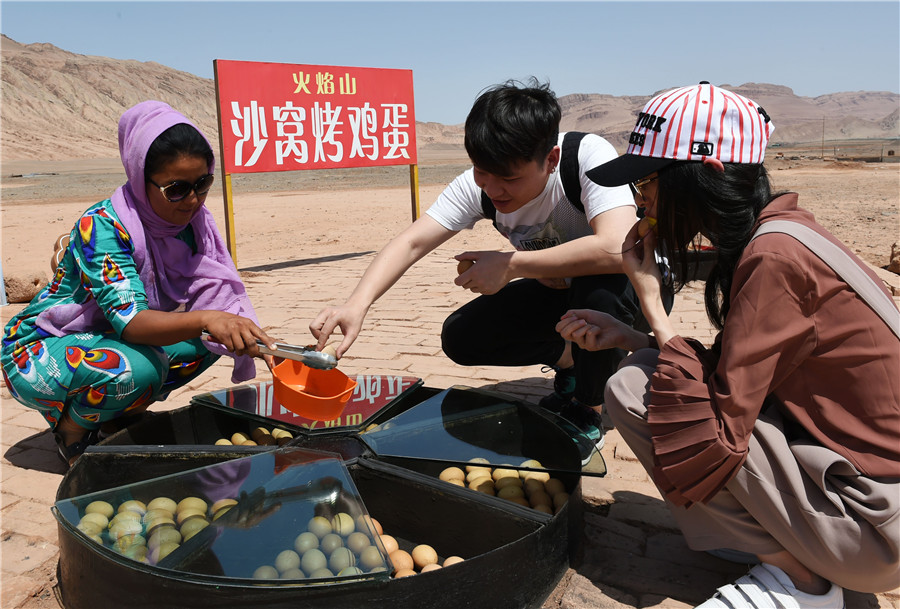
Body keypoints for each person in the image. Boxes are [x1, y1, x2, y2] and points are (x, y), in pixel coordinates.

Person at [557, 82, 899, 608]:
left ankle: (804, 583)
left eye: (647, 181)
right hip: (871, 504)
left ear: (706, 174)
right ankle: (781, 543)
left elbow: (719, 426)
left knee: (635, 388)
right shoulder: (778, 234)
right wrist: (633, 336)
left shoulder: (775, 257)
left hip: (874, 528)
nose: (639, 199)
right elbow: (745, 373)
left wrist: (649, 298)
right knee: (647, 363)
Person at [310, 79, 643, 457]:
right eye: (482, 173)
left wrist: (512, 265)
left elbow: (619, 248)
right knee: (463, 336)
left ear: (550, 159)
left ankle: (588, 408)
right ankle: (570, 360)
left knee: (600, 286)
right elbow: (412, 241)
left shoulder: (584, 157)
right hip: (558, 292)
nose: (493, 189)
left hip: (630, 293)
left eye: (509, 178)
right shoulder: (479, 184)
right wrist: (357, 304)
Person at [1, 101, 276, 466]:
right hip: (38, 351)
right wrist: (209, 318)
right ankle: (71, 430)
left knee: (212, 341)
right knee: (141, 367)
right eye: (176, 189)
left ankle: (118, 414)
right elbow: (132, 324)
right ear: (138, 175)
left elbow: (216, 302)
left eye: (203, 183)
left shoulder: (193, 224)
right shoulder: (102, 227)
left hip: (109, 343)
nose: (193, 200)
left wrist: (256, 340)